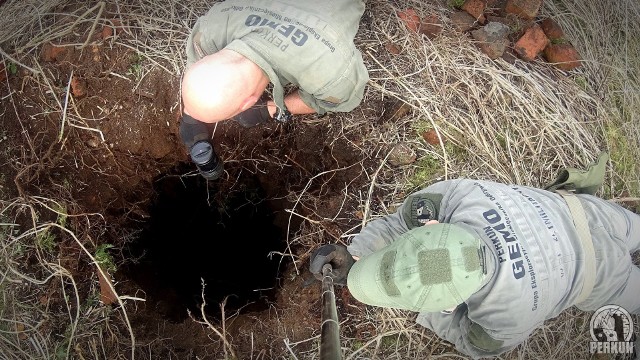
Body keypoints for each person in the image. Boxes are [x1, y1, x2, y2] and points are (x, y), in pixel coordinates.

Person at [310, 177, 640, 359]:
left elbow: (470, 342)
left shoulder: (509, 319)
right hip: (587, 213)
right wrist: (353, 259)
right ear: (431, 226)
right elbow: (398, 225)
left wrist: (434, 314)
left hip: (602, 276)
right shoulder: (463, 198)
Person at [178, 0, 369, 180]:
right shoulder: (216, 24)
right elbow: (200, 59)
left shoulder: (327, 72)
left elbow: (334, 100)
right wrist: (192, 113)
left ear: (249, 103)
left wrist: (269, 109)